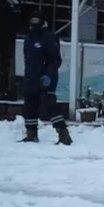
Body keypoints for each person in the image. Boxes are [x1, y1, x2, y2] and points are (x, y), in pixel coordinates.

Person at [20, 11, 72, 146]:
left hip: (45, 78)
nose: (34, 24)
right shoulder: (29, 38)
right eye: (32, 21)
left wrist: (48, 75)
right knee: (29, 106)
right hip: (31, 78)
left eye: (37, 21)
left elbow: (55, 60)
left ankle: (63, 134)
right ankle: (31, 134)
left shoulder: (50, 37)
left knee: (50, 105)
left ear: (42, 22)